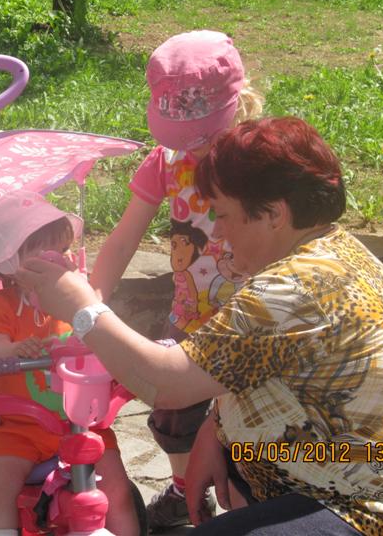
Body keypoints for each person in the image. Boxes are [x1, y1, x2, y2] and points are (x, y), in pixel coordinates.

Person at [16, 117, 383, 535]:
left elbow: (166, 383)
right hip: (372, 461)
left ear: (273, 213)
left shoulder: (293, 288)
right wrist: (216, 431)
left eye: (224, 215)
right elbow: (254, 363)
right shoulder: (334, 251)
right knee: (241, 466)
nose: (217, 233)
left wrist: (81, 307)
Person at [89, 29, 264, 529]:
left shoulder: (260, 160)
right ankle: (187, 490)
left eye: (203, 136)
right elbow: (123, 239)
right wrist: (90, 300)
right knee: (174, 420)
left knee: (248, 425)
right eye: (182, 137)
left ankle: (252, 505)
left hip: (255, 322)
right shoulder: (166, 163)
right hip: (190, 320)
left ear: (238, 104)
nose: (193, 148)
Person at [0, 190, 139, 536]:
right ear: (12, 263)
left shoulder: (75, 300)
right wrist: (16, 349)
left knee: (118, 490)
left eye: (63, 250)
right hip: (20, 427)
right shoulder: (3, 305)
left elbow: (104, 336)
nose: (57, 259)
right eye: (43, 252)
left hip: (81, 422)